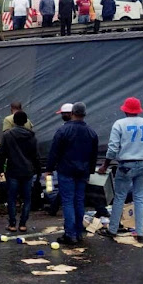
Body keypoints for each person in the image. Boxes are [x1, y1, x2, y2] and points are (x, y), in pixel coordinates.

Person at [97, 98, 143, 243]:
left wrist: (105, 165)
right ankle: (140, 233)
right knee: (139, 197)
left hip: (125, 164)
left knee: (119, 197)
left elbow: (113, 148)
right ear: (139, 110)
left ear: (125, 110)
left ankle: (112, 230)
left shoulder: (119, 124)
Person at [46, 102, 98, 245]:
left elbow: (54, 151)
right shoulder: (91, 132)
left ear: (72, 113)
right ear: (84, 114)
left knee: (68, 201)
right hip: (83, 171)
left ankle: (70, 234)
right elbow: (94, 155)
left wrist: (49, 168)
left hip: (66, 170)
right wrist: (90, 172)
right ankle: (79, 232)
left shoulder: (63, 131)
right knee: (79, 201)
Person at [0, 112, 41, 232]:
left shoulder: (7, 135)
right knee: (27, 198)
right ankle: (23, 224)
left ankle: (12, 224)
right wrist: (38, 170)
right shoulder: (32, 136)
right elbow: (36, 156)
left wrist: (0, 169)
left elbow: (2, 153)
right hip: (28, 171)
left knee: (11, 198)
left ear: (14, 121)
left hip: (13, 170)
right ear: (25, 121)